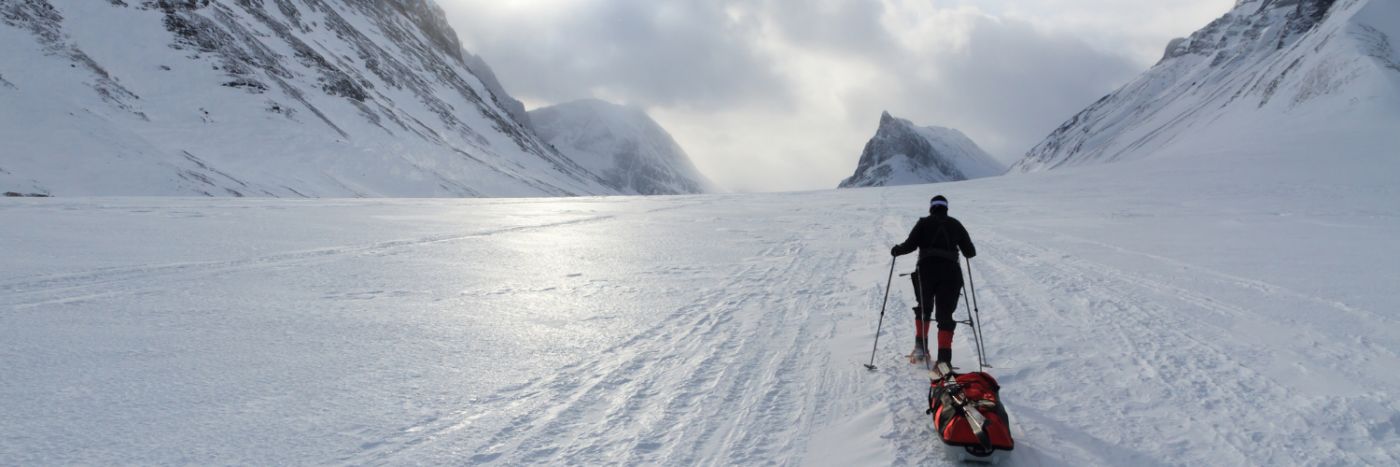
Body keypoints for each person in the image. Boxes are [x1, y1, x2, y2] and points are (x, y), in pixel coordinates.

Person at [891, 195, 976, 364]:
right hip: (951, 273)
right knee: (945, 315)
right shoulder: (955, 224)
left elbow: (910, 245)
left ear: (931, 208)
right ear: (946, 208)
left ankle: (921, 350)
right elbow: (970, 252)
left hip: (926, 272)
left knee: (924, 308)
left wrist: (896, 250)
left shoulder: (923, 223)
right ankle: (944, 362)